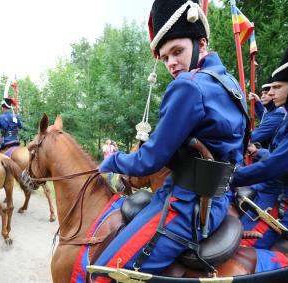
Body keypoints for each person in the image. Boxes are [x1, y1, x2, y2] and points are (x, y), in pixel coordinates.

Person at [94, 0, 248, 275]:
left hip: (185, 208)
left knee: (103, 272)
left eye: (177, 52)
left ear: (201, 45)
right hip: (219, 202)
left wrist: (113, 161)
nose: (172, 63)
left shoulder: (188, 87)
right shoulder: (232, 85)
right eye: (165, 57)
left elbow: (148, 161)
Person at [231, 43, 288, 249]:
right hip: (276, 192)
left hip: (286, 202)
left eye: (278, 87)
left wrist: (229, 178)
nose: (272, 92)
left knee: (241, 247)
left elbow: (275, 165)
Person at [249, 83, 286, 149]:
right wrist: (257, 103)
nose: (262, 96)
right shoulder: (272, 111)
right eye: (262, 94)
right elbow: (264, 116)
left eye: (266, 93)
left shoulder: (279, 114)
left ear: (274, 95)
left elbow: (254, 137)